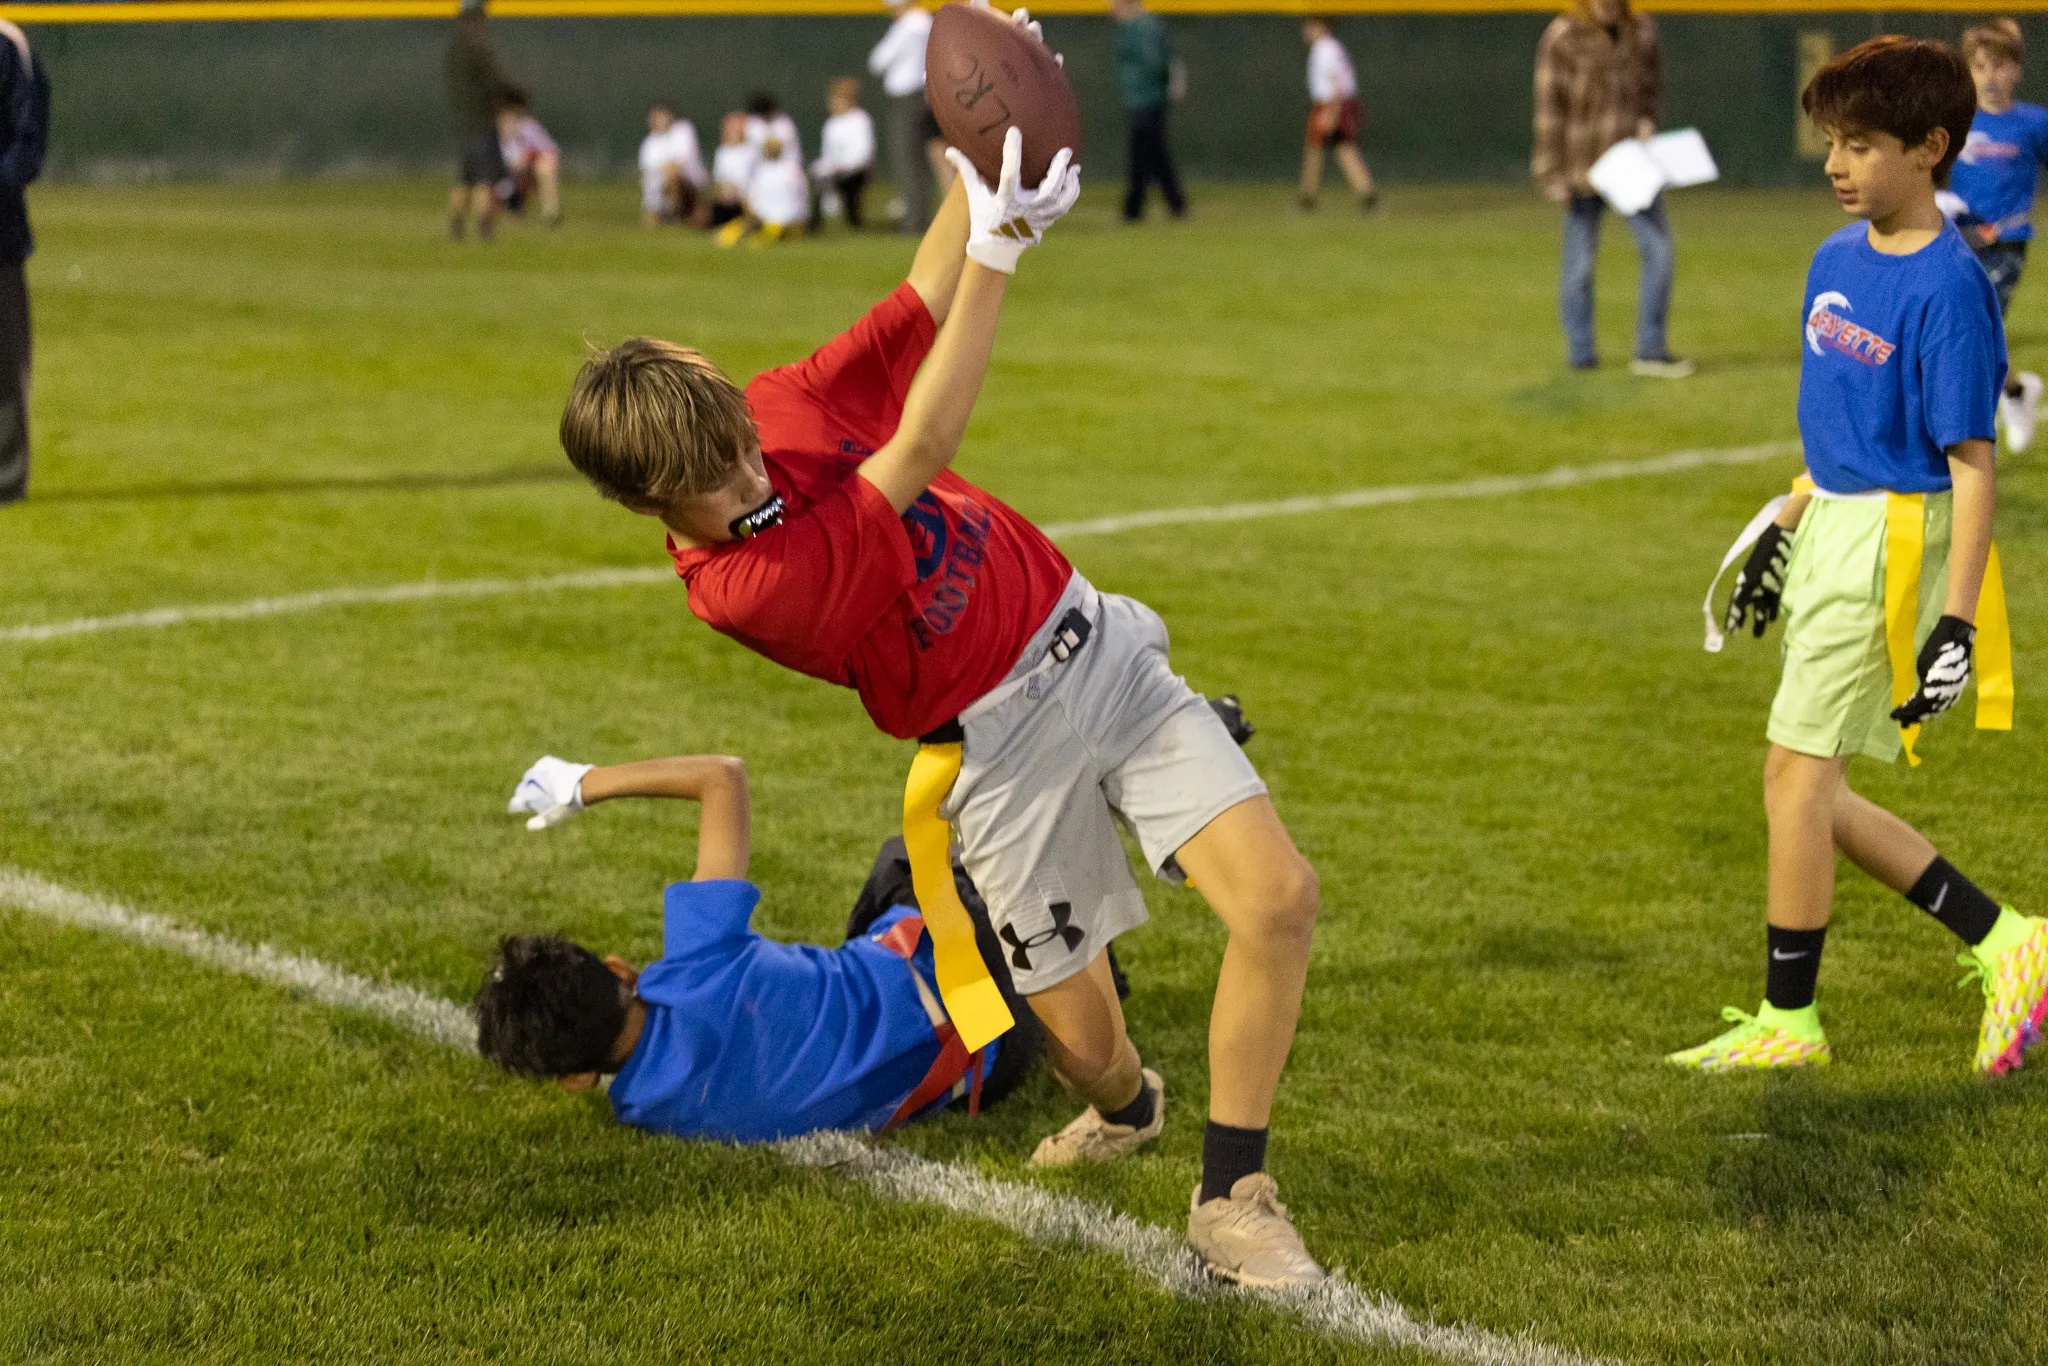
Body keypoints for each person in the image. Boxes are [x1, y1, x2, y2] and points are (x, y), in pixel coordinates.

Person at [554, 17, 1324, 1281]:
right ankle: (1128, 1108)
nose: (753, 457)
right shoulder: (744, 584)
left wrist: (989, 154)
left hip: (1090, 644)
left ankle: (1232, 1190)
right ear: (648, 502)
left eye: (738, 430)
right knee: (1080, 1040)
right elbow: (912, 450)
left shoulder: (769, 411)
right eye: (719, 467)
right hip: (993, 748)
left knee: (1279, 899)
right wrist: (1007, 252)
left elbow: (917, 299)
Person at [1672, 37, 2045, 1079]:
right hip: (1832, 521)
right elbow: (1836, 428)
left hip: (1895, 540)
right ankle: (2008, 940)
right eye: (1830, 142)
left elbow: (1970, 468)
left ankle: (1788, 1020)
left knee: (1793, 776)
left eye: (1861, 144)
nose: (1835, 164)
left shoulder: (1949, 287)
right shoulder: (1831, 262)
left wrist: (1958, 622)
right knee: (1811, 788)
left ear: (1928, 148)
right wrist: (1786, 522)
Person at [477, 753, 1043, 1139]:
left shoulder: (647, 1112)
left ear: (576, 1079)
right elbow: (723, 777)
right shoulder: (699, 958)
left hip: (988, 1070)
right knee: (909, 858)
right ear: (620, 968)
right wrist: (583, 782)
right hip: (985, 972)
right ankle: (1076, 972)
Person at [1531, 0, 1691, 377]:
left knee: (1659, 252)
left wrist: (1648, 120)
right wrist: (1550, 173)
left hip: (1632, 165)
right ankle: (1581, 354)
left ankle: (1650, 350)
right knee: (1579, 267)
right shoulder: (1563, 36)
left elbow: (1652, 88)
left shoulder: (1641, 30)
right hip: (1581, 165)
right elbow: (1548, 107)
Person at [1950, 18, 2047, 452]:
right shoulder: (1953, 121)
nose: (1990, 77)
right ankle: (2016, 391)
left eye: (2000, 66)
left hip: (2006, 241)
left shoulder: (2034, 123)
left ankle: (1963, 439)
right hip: (1955, 240)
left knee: (1977, 328)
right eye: (1980, 66)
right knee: (1969, 331)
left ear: (2017, 71)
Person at [0, 20, 46, 510]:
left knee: (4, 362)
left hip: (0, 232)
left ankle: (6, 481)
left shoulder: (9, 47)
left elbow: (28, 143)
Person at [444, 0, 522, 243]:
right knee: (484, 179)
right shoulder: (478, 45)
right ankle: (484, 228)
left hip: (465, 120)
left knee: (464, 178)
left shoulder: (455, 46)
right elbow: (497, 80)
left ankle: (456, 224)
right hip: (483, 119)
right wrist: (516, 96)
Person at [1113, 0, 1187, 223]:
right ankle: (1176, 205)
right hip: (1143, 98)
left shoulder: (1143, 26)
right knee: (1155, 154)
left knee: (1143, 153)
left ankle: (1133, 209)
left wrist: (1165, 84)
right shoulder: (1136, 26)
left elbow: (1156, 62)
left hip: (1148, 99)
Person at [868, 0, 937, 233]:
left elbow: (877, 61)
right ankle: (928, 215)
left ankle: (915, 220)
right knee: (933, 157)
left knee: (907, 158)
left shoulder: (909, 24)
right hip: (928, 94)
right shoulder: (926, 21)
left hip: (908, 99)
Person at [1297, 18, 1375, 214]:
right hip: (1335, 103)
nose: (1306, 30)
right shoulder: (1329, 47)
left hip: (1332, 103)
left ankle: (1308, 200)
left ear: (1322, 27)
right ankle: (1368, 198)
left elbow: (1336, 81)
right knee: (1329, 150)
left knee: (1334, 150)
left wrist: (1332, 112)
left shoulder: (1325, 49)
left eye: (1310, 26)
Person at [811, 77, 876, 233]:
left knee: (851, 194)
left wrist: (845, 166)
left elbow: (864, 154)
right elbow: (828, 153)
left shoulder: (861, 120)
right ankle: (815, 224)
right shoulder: (831, 124)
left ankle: (854, 221)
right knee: (816, 176)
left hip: (856, 171)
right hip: (836, 170)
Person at [717, 138, 809, 248]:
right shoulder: (760, 169)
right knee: (726, 236)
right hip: (761, 218)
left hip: (784, 220)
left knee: (762, 238)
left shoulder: (792, 169)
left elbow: (801, 197)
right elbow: (750, 198)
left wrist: (798, 219)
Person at [639, 104, 707, 228]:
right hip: (660, 188)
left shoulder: (683, 130)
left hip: (690, 182)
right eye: (655, 117)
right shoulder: (649, 143)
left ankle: (676, 213)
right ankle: (664, 211)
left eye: (661, 116)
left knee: (671, 173)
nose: (658, 120)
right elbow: (647, 173)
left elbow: (679, 163)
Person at [496, 96, 560, 226]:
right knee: (502, 186)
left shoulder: (529, 128)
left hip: (525, 170)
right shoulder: (494, 133)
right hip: (503, 174)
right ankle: (508, 211)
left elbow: (548, 151)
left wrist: (526, 161)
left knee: (546, 168)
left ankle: (551, 212)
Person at [708, 112, 755, 229]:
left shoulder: (751, 151)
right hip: (727, 195)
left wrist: (740, 191)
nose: (732, 131)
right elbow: (718, 178)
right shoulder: (722, 151)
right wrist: (726, 188)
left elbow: (756, 179)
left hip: (747, 195)